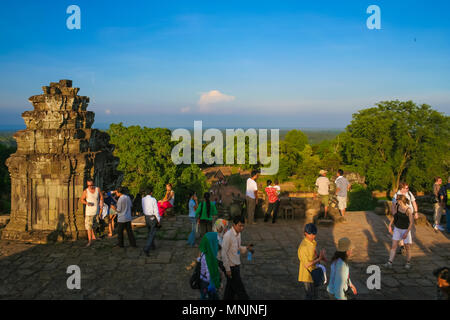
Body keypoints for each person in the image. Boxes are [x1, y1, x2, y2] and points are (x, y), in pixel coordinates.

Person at [222, 215, 253, 300]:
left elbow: (238, 248)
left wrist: (246, 248)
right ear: (234, 225)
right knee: (240, 289)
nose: (242, 228)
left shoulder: (238, 234)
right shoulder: (228, 236)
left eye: (243, 226)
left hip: (237, 264)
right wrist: (227, 269)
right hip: (231, 267)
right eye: (240, 225)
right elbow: (223, 253)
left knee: (230, 289)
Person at [384, 194, 414, 269]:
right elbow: (395, 217)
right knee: (394, 246)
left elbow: (411, 223)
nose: (396, 202)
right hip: (397, 229)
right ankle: (389, 262)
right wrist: (390, 225)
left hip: (405, 230)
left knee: (407, 247)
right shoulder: (397, 207)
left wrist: (406, 233)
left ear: (401, 201)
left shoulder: (408, 210)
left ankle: (408, 262)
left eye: (397, 200)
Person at [298, 223, 326, 300]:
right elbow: (306, 265)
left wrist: (320, 256)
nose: (312, 236)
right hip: (307, 275)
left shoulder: (312, 242)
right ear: (305, 233)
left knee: (315, 295)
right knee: (309, 295)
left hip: (314, 272)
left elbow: (314, 255)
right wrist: (319, 259)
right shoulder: (303, 247)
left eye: (314, 234)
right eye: (310, 234)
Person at [392, 182, 419, 254]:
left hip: (410, 214)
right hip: (400, 215)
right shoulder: (396, 195)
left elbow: (414, 203)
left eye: (408, 188)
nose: (408, 189)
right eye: (406, 188)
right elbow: (393, 206)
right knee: (400, 229)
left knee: (410, 229)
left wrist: (416, 212)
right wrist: (395, 216)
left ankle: (407, 243)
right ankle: (402, 246)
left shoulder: (409, 194)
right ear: (402, 188)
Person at [80, 179, 104, 247]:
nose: (90, 186)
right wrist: (87, 203)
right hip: (89, 213)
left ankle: (94, 237)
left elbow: (101, 196)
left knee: (95, 225)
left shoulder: (97, 189)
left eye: (91, 185)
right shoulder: (86, 191)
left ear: (94, 184)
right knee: (89, 227)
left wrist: (101, 202)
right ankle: (90, 241)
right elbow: (81, 199)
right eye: (88, 185)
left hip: (96, 212)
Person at [198, 232, 221, 300]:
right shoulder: (208, 258)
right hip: (208, 284)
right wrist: (216, 285)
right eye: (215, 241)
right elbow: (209, 275)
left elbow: (198, 259)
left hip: (203, 281)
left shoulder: (205, 252)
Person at [142, 187, 160, 256]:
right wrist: (158, 219)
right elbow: (156, 210)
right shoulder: (153, 199)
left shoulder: (143, 199)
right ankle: (147, 248)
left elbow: (143, 207)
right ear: (151, 192)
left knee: (149, 232)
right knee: (152, 233)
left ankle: (153, 246)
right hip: (152, 217)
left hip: (146, 217)